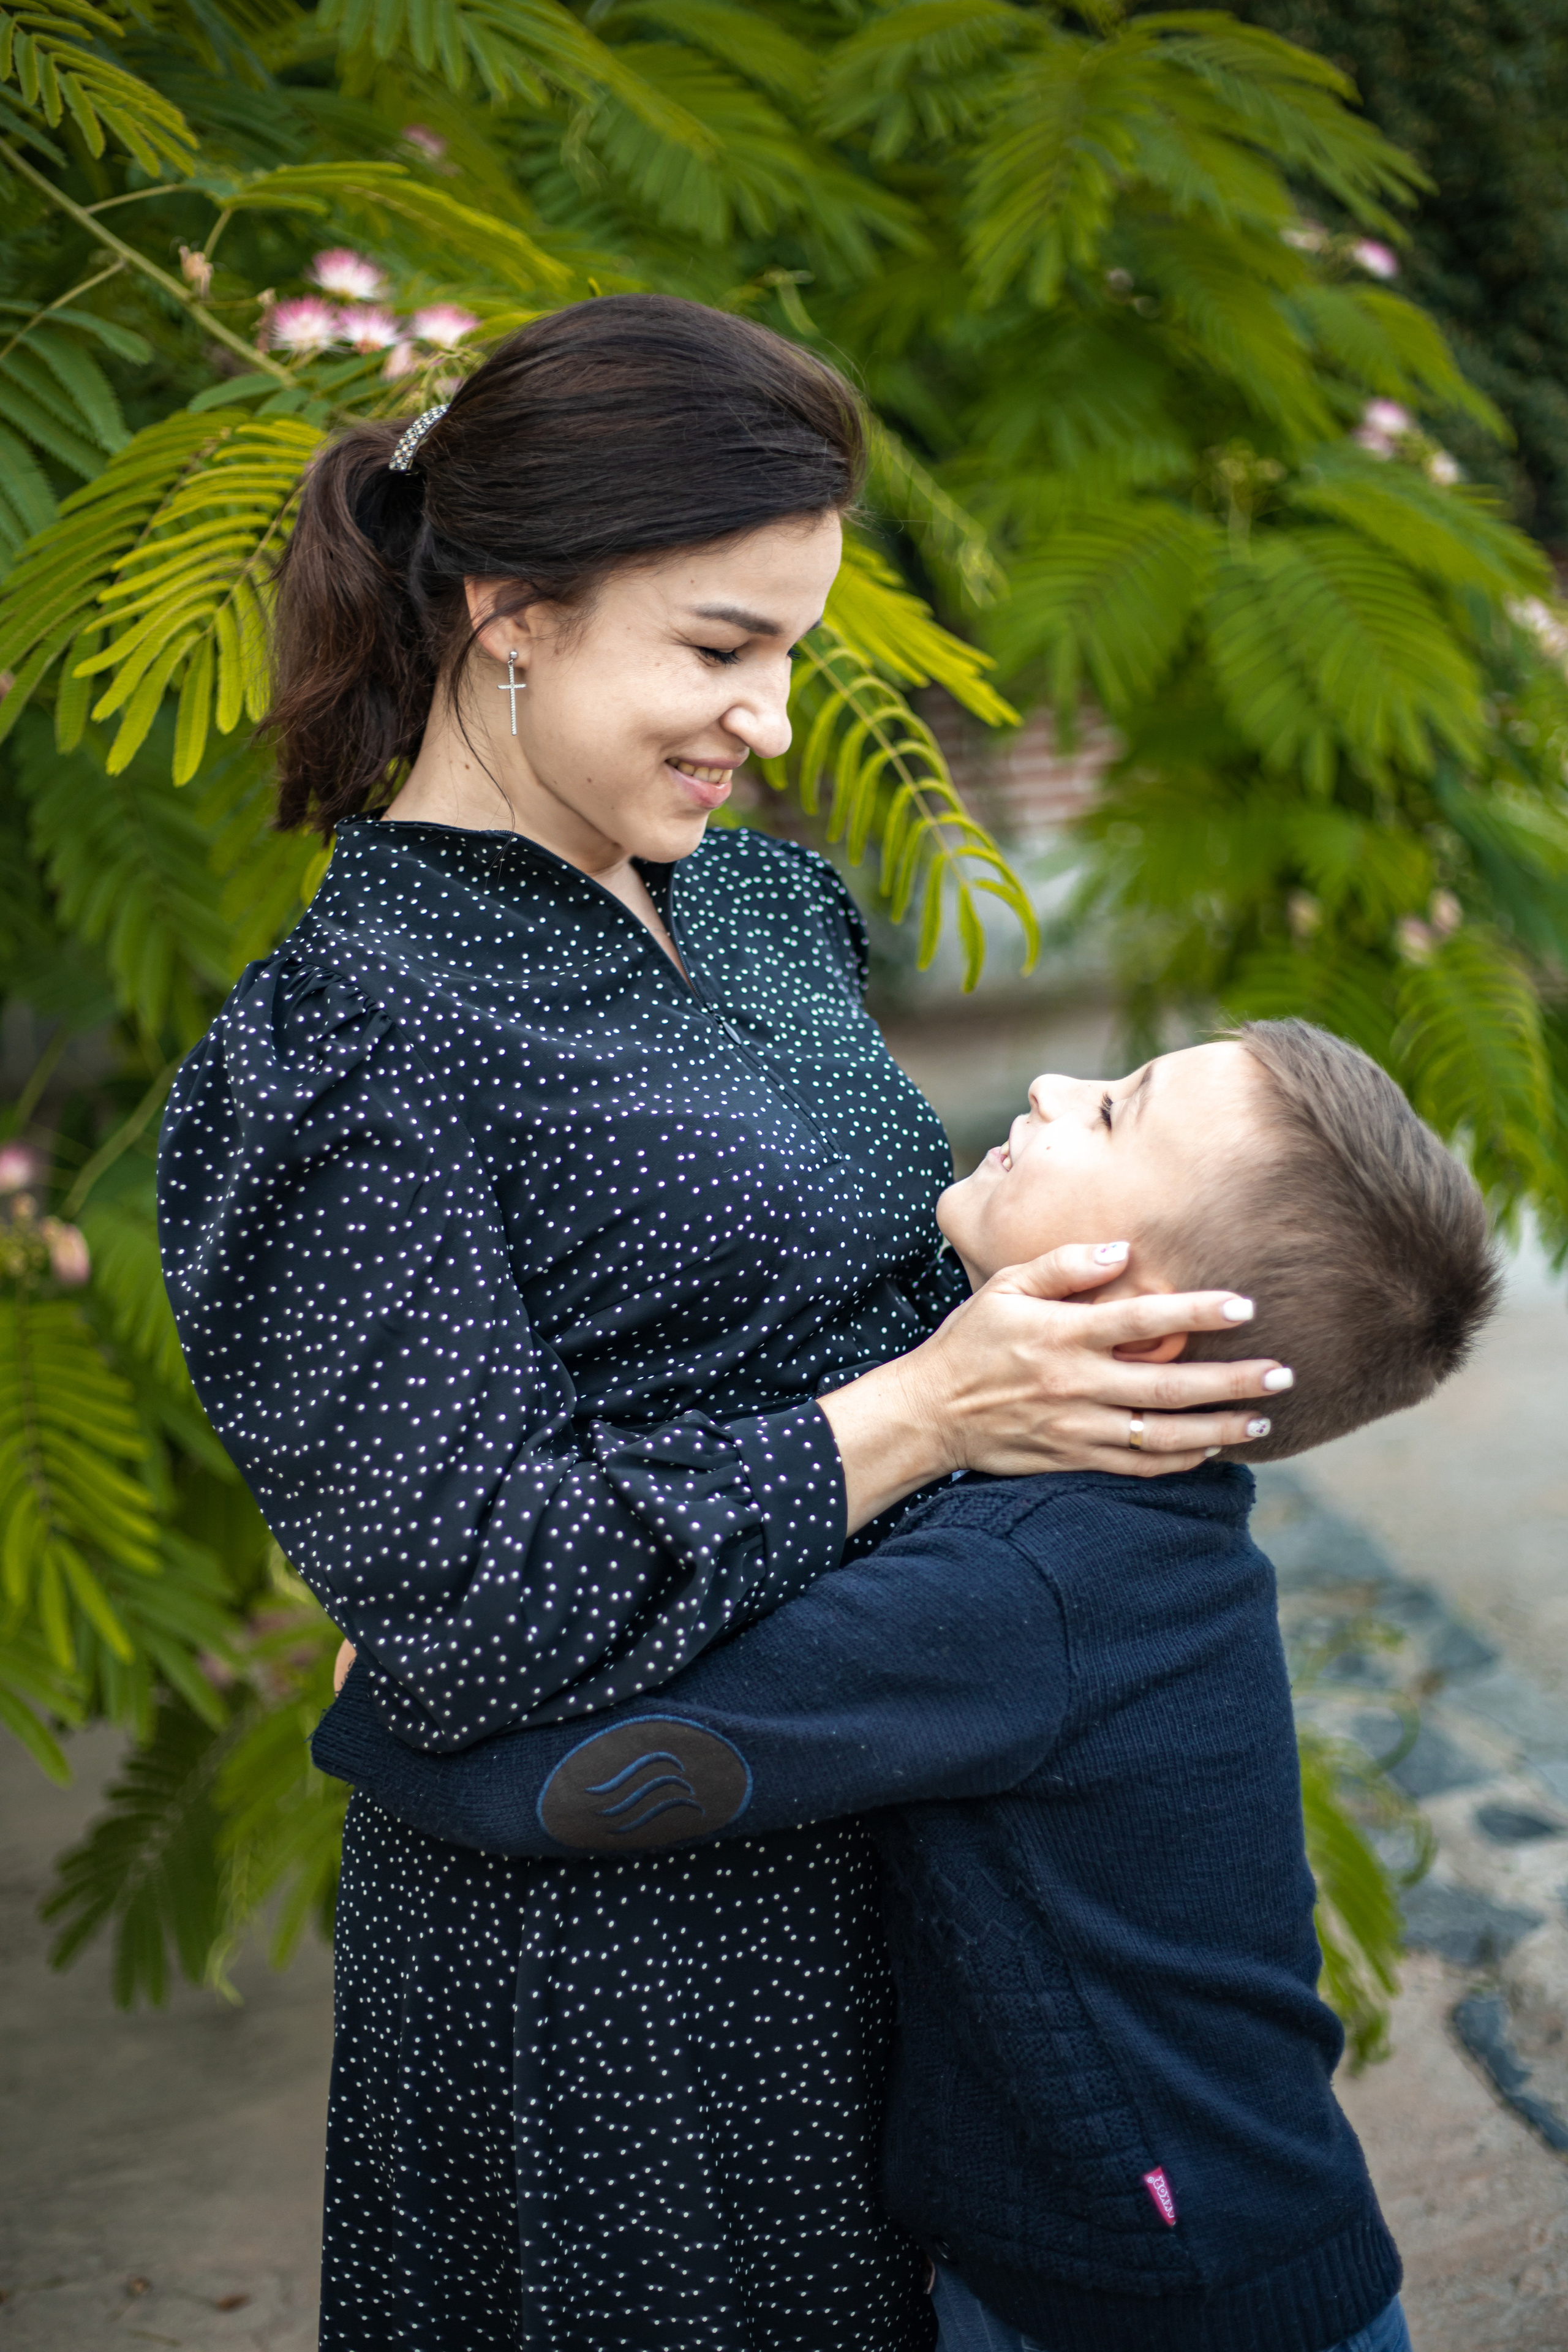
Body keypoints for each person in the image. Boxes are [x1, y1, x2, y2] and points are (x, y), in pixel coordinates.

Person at [157, 293, 1287, 2352]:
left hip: (907, 1851)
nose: (767, 714)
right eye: (718, 647)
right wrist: (932, 1415)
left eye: (789, 649)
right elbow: (472, 1614)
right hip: (627, 1978)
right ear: (509, 606)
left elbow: (860, 1280)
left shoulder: (763, 905)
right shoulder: (341, 1049)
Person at [315, 1019, 1500, 2352]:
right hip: (1174, 2259)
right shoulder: (1118, 1528)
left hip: (1160, 2302)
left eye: (1113, 1114)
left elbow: (633, 1773)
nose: (1054, 1084)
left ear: (1152, 1330)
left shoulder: (1028, 1584)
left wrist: (390, 1700)